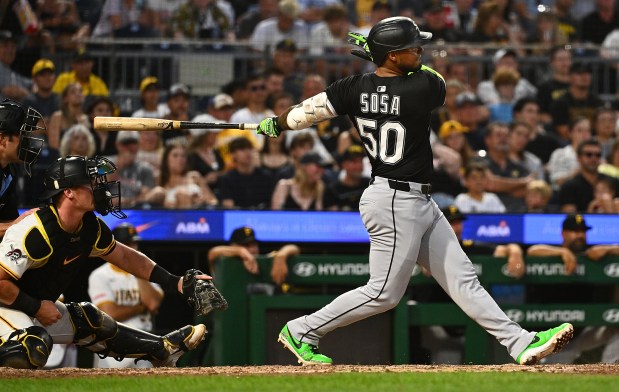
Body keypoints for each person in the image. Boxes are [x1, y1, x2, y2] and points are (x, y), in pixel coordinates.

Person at [256, 16, 573, 365]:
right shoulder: (419, 88)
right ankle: (302, 330)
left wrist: (276, 123)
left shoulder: (351, 87)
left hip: (413, 199)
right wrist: (375, 51)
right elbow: (438, 79)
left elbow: (306, 113)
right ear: (392, 56)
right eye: (412, 48)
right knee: (383, 293)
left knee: (462, 278)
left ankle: (520, 342)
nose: (421, 52)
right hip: (394, 200)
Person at [0, 155, 210, 369]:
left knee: (89, 320)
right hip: (5, 306)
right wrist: (36, 307)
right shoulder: (35, 231)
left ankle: (161, 349)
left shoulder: (91, 227)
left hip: (31, 306)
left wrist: (176, 281)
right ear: (68, 192)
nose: (100, 188)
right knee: (29, 348)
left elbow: (126, 257)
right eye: (91, 182)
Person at [526, 213, 619, 364]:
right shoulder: (553, 252)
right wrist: (562, 252)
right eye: (575, 232)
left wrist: (608, 249)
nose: (580, 235)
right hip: (550, 335)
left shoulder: (590, 253)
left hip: (579, 331)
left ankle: (610, 368)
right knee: (548, 372)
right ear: (563, 234)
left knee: (615, 328)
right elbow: (532, 250)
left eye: (583, 232)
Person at [88, 222, 164, 368]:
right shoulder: (100, 275)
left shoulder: (146, 273)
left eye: (134, 243)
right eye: (127, 243)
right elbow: (110, 314)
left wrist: (137, 270)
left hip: (144, 341)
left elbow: (153, 303)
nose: (133, 248)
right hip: (112, 342)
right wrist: (141, 308)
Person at [0, 100, 45, 235]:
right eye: (23, 136)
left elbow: (8, 217)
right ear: (2, 139)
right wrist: (15, 224)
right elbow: (12, 223)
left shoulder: (9, 170)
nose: (29, 144)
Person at [208, 226, 300, 287]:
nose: (252, 250)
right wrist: (240, 251)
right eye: (246, 245)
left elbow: (294, 248)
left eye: (254, 245)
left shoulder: (265, 261)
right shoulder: (226, 262)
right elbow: (213, 252)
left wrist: (281, 256)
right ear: (233, 246)